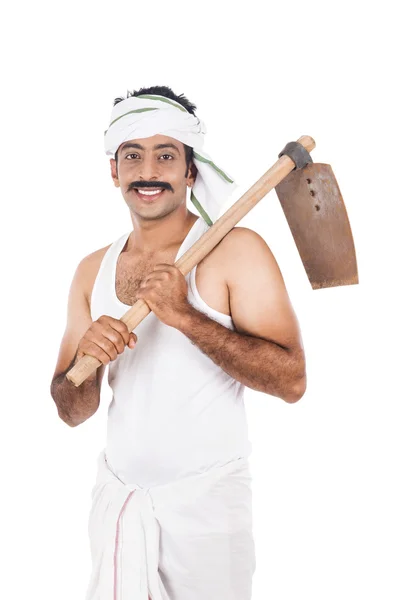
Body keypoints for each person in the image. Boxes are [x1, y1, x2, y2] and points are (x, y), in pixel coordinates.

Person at [50, 85, 306, 600]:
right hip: (119, 508)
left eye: (166, 155)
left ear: (190, 171)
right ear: (114, 171)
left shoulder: (238, 251)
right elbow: (70, 408)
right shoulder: (89, 272)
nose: (148, 171)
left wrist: (185, 317)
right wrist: (89, 362)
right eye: (132, 155)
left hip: (208, 518)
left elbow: (292, 381)